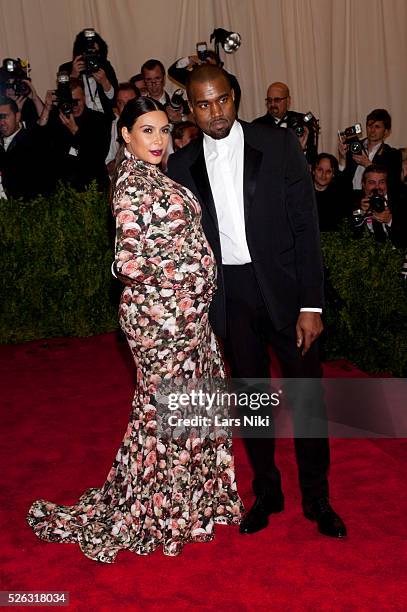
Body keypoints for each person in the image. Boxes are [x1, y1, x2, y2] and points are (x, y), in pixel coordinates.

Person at [26, 96, 243, 562]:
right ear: (125, 134)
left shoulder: (150, 177)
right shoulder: (130, 186)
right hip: (162, 320)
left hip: (183, 316)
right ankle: (158, 510)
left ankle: (186, 500)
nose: (159, 140)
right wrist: (186, 276)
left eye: (164, 130)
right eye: (147, 130)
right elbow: (128, 262)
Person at [167, 65, 346, 539]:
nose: (215, 112)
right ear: (191, 108)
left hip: (287, 294)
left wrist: (313, 304)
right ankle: (267, 491)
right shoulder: (182, 165)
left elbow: (307, 228)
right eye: (203, 105)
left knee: (308, 398)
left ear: (235, 96)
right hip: (232, 296)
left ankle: (317, 497)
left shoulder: (280, 145)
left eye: (222, 100)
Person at [38, 78, 110, 191]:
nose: (74, 106)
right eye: (70, 102)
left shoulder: (98, 120)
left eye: (78, 101)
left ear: (85, 98)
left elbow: (97, 156)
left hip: (93, 188)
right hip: (64, 189)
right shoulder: (56, 118)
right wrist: (47, 107)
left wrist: (75, 130)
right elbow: (38, 140)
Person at [338, 109, 401, 199]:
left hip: (375, 200)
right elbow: (341, 179)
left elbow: (393, 184)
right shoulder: (354, 146)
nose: (372, 130)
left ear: (386, 131)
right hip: (349, 198)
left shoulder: (392, 154)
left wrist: (368, 165)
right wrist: (342, 158)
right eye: (370, 126)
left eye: (377, 127)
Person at [59, 29, 118, 121]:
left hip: (104, 117)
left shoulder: (105, 66)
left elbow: (114, 100)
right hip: (80, 118)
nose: (91, 56)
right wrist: (73, 77)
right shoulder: (66, 69)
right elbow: (64, 101)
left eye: (94, 53)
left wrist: (105, 82)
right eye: (87, 53)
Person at [253, 81, 317, 164]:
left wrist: (302, 151)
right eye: (269, 100)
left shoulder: (302, 122)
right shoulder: (257, 126)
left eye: (277, 100)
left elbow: (312, 158)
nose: (272, 104)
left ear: (288, 101)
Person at [353, 164, 407, 248]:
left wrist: (390, 221)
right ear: (363, 184)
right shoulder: (356, 201)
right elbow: (350, 234)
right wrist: (361, 212)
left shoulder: (401, 202)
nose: (377, 187)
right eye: (372, 182)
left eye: (381, 182)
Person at [312, 153, 353, 231]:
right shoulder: (303, 192)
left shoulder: (339, 196)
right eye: (320, 170)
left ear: (333, 174)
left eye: (328, 171)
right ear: (313, 171)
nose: (323, 175)